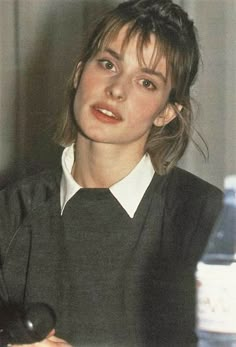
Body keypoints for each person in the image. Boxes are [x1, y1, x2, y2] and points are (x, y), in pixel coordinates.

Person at [0, 0, 222, 346]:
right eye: (108, 64)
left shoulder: (207, 218)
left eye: (146, 82)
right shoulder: (11, 212)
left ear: (166, 112)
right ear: (78, 73)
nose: (117, 89)